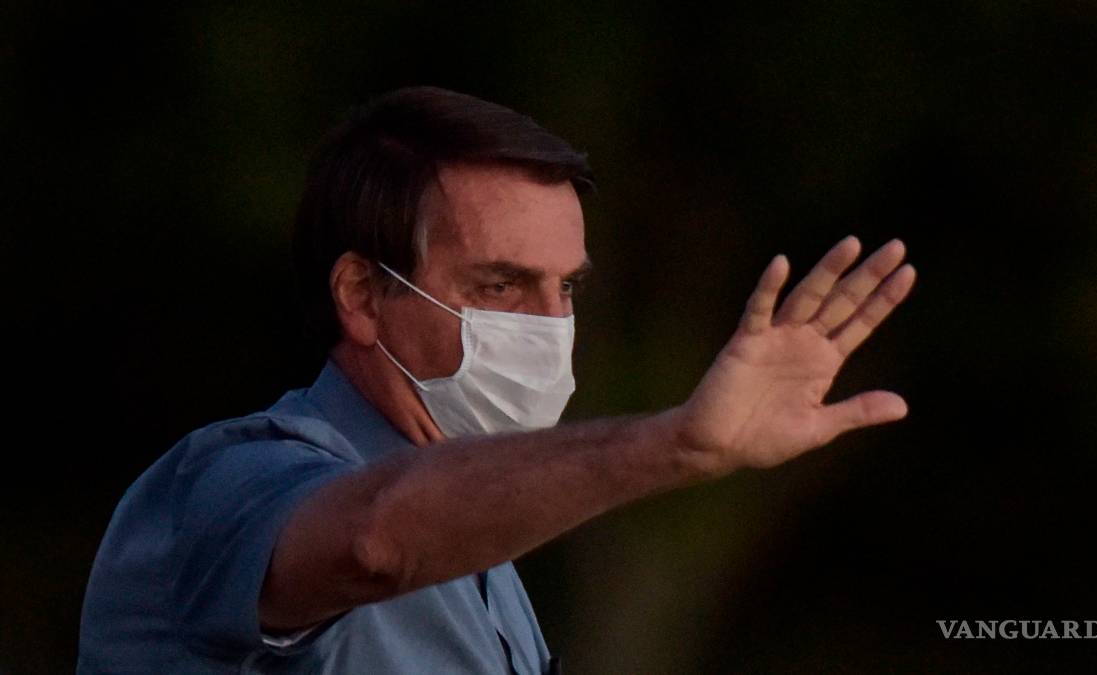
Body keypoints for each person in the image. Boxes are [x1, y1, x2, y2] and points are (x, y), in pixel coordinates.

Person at [77, 86, 916, 674]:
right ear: (361, 295)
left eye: (568, 288)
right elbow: (374, 539)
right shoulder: (224, 482)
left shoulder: (491, 558)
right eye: (501, 285)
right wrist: (676, 445)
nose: (549, 324)